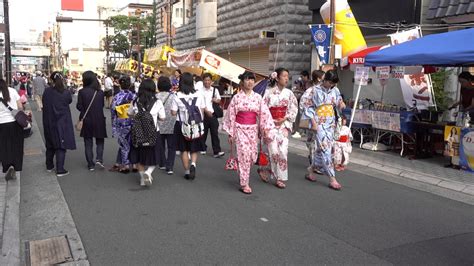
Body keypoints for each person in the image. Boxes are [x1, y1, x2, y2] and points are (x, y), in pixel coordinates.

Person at [222, 71, 275, 194]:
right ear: (242, 82)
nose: (250, 82)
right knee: (244, 154)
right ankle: (244, 183)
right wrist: (231, 133)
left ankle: (243, 170)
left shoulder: (258, 97)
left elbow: (264, 114)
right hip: (240, 128)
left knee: (252, 156)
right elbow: (231, 115)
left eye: (252, 79)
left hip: (253, 129)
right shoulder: (236, 98)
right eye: (247, 79)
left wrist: (265, 129)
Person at [263, 67, 298, 189]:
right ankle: (270, 170)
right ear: (277, 78)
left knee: (283, 152)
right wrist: (269, 121)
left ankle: (279, 177)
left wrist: (285, 117)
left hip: (283, 124)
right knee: (274, 151)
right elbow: (263, 110)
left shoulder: (289, 93)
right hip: (271, 125)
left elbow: (293, 108)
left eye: (287, 76)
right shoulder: (268, 93)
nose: (286, 78)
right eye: (284, 76)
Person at [310, 70, 345, 190]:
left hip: (331, 122)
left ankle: (311, 170)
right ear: (325, 80)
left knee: (323, 148)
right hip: (318, 121)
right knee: (326, 148)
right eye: (330, 82)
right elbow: (306, 105)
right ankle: (332, 178)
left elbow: (339, 99)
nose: (331, 85)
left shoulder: (335, 90)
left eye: (333, 84)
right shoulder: (314, 90)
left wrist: (341, 103)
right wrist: (313, 122)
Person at [129, 79, 166, 187]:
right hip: (153, 133)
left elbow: (129, 113)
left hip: (138, 133)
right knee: (156, 156)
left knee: (139, 157)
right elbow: (163, 118)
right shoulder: (157, 102)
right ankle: (148, 172)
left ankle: (142, 178)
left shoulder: (135, 101)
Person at [171, 72, 206, 180]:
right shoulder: (199, 94)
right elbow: (202, 109)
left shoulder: (176, 95)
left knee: (184, 149)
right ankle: (193, 164)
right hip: (196, 124)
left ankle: (187, 171)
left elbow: (173, 112)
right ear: (192, 82)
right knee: (194, 148)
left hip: (181, 125)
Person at [42, 72, 76, 177]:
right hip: (62, 121)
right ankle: (60, 169)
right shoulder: (65, 92)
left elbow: (44, 102)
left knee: (50, 143)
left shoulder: (47, 91)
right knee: (61, 145)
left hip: (48, 121)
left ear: (51, 80)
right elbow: (69, 101)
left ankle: (49, 165)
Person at [76, 71, 107, 171]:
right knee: (100, 141)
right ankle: (99, 159)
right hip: (99, 119)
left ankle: (90, 164)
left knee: (88, 142)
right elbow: (101, 105)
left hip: (87, 120)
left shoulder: (82, 92)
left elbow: (79, 106)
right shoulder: (100, 92)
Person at [301, 70, 325, 179]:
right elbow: (303, 104)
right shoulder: (311, 90)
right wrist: (311, 117)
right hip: (314, 119)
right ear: (319, 78)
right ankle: (313, 165)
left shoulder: (326, 90)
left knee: (322, 143)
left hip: (324, 120)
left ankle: (318, 164)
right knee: (313, 142)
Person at [110, 75, 136, 173]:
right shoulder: (134, 95)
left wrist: (113, 126)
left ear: (120, 84)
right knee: (133, 143)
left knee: (124, 144)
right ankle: (134, 164)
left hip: (122, 122)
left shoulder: (117, 97)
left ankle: (125, 165)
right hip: (133, 121)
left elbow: (113, 111)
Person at [0, 79, 25, 180]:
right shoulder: (12, 91)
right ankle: (15, 167)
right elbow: (20, 107)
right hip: (15, 124)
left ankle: (7, 166)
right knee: (16, 146)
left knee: (4, 147)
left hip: (1, 124)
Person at [199, 73, 225, 158]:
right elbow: (198, 103)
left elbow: (219, 100)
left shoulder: (214, 90)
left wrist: (215, 100)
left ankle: (216, 151)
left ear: (211, 81)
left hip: (213, 114)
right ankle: (202, 148)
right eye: (205, 80)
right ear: (203, 81)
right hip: (203, 114)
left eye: (208, 80)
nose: (207, 82)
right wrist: (206, 111)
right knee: (203, 132)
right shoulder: (200, 91)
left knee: (215, 133)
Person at [156, 76, 177, 175]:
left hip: (159, 123)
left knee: (160, 145)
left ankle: (162, 163)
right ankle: (170, 167)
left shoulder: (155, 96)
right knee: (171, 146)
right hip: (172, 123)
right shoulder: (174, 96)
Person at [292, 70, 312, 139]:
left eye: (302, 76)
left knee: (305, 116)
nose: (301, 78)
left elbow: (307, 92)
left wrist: (298, 91)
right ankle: (301, 131)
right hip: (302, 102)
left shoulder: (308, 83)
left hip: (307, 103)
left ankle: (304, 131)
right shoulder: (302, 82)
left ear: (306, 76)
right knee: (301, 116)